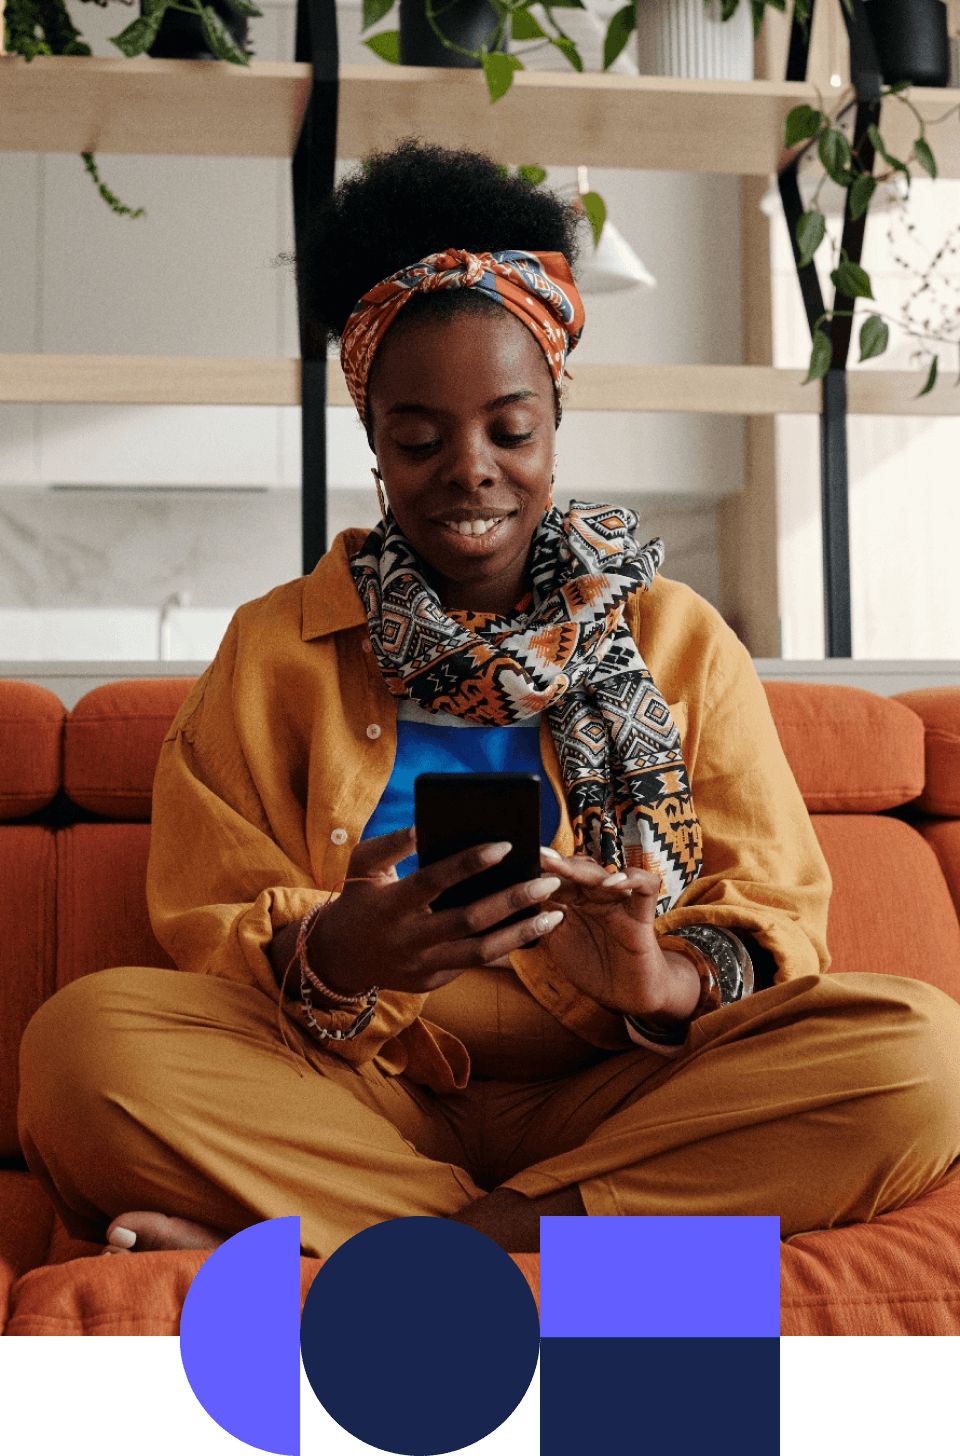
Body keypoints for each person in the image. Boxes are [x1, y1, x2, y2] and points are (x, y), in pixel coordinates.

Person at [18, 141, 960, 1261]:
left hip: (624, 1098)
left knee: (922, 1057)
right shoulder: (275, 649)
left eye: (510, 431)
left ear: (554, 423)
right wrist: (340, 953)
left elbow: (776, 917)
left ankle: (405, 1241)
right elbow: (210, 928)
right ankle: (557, 1251)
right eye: (420, 439)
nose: (471, 468)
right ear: (375, 441)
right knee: (83, 1050)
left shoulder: (678, 638)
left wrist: (657, 974)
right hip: (362, 1089)